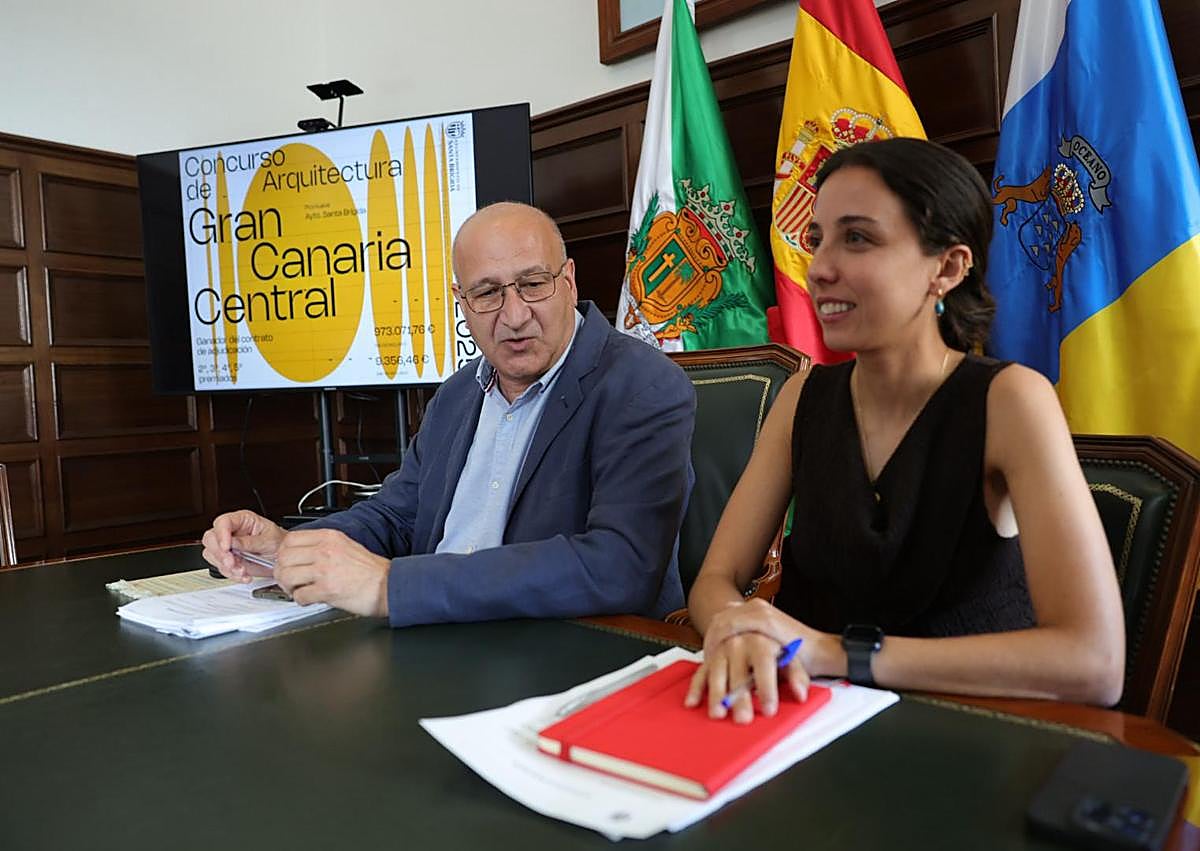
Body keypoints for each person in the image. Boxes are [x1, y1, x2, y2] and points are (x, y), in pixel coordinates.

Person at [684, 138, 1125, 722]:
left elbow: (1094, 662)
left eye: (857, 238)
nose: (819, 269)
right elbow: (716, 579)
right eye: (816, 240)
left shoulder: (1012, 400)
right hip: (798, 718)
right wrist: (738, 628)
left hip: (968, 728)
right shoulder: (802, 397)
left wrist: (835, 653)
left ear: (948, 268)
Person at [202, 202, 696, 626]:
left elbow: (619, 568)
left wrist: (392, 586)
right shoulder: (458, 394)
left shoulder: (641, 385)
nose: (514, 315)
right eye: (487, 293)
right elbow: (398, 517)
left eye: (532, 284)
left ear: (568, 282)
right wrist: (291, 547)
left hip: (568, 647)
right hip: (440, 635)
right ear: (462, 301)